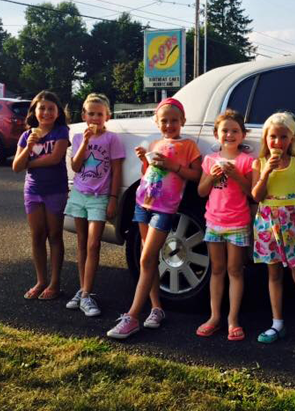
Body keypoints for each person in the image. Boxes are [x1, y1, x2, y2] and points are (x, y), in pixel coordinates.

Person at [107, 97, 201, 339]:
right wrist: (144, 159)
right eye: (164, 121)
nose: (169, 125)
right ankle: (156, 308)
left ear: (183, 121)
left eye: (174, 120)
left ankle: (132, 316)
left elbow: (196, 175)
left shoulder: (188, 146)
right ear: (157, 122)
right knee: (147, 260)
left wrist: (173, 165)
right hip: (142, 204)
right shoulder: (156, 143)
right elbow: (147, 173)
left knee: (148, 258)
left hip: (164, 209)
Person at [251, 111, 295, 351]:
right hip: (267, 225)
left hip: (292, 225)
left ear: (292, 138)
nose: (277, 142)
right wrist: (266, 173)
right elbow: (256, 196)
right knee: (273, 276)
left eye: (283, 137)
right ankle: (277, 323)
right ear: (265, 138)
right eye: (273, 137)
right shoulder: (259, 163)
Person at [64, 93, 125, 317]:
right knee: (81, 243)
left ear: (107, 116)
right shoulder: (78, 137)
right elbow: (76, 166)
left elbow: (117, 171)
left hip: (99, 197)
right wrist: (85, 142)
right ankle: (83, 290)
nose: (95, 118)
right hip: (79, 194)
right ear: (84, 115)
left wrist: (113, 198)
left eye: (100, 114)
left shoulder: (112, 139)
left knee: (93, 244)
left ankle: (87, 294)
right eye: (91, 114)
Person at [195, 109, 254, 341]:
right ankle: (214, 316)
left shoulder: (247, 161)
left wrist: (236, 175)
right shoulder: (210, 160)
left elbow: (252, 193)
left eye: (235, 131)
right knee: (217, 270)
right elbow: (201, 192)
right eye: (225, 131)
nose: (229, 135)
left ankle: (233, 319)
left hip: (238, 223)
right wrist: (212, 176)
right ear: (216, 134)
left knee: (235, 270)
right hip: (213, 222)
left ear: (243, 135)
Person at [12, 90, 70, 301]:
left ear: (58, 112)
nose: (46, 112)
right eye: (42, 108)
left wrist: (30, 163)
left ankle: (55, 283)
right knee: (37, 235)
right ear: (34, 111)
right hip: (33, 191)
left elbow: (55, 158)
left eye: (51, 109)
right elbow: (16, 166)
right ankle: (41, 281)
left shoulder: (61, 131)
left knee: (54, 235)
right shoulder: (26, 136)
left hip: (55, 190)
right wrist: (28, 147)